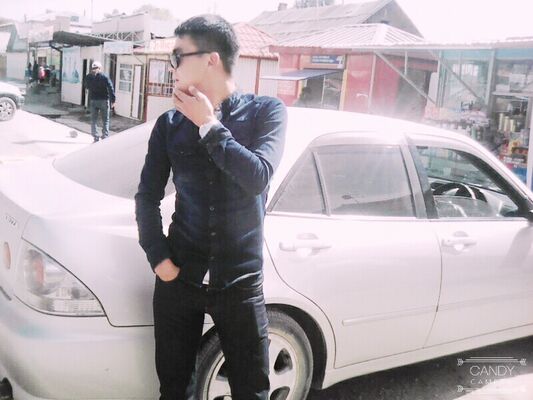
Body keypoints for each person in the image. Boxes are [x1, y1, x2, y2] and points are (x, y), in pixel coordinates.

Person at [134, 14, 287, 400]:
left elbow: (258, 178)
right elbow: (147, 196)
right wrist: (158, 257)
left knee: (252, 391)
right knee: (174, 390)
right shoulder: (169, 124)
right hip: (179, 278)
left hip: (239, 282)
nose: (172, 66)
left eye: (177, 56)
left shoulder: (265, 112)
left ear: (210, 59)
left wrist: (209, 125)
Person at [84, 61, 115, 142]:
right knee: (105, 120)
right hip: (104, 100)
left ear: (92, 68)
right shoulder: (104, 77)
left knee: (93, 120)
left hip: (93, 100)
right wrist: (113, 100)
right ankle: (105, 136)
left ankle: (95, 136)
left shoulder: (88, 77)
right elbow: (111, 88)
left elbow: (86, 86)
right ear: (100, 68)